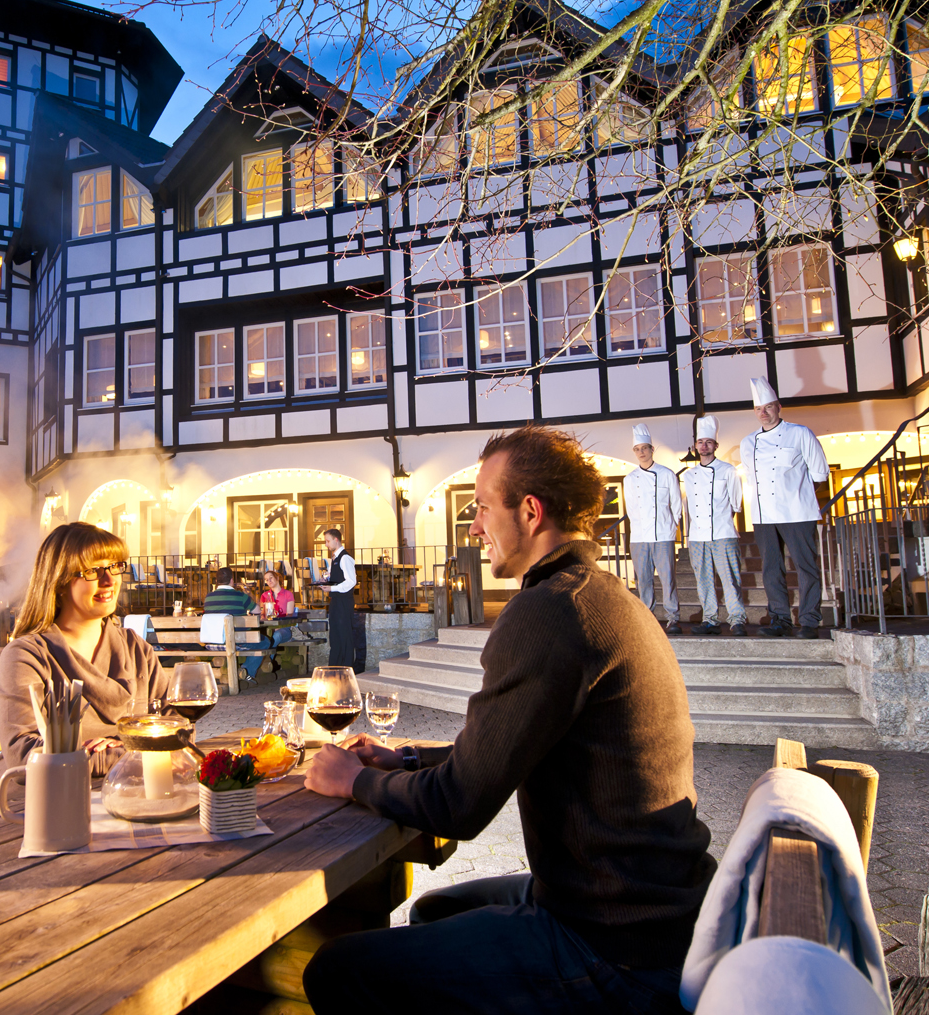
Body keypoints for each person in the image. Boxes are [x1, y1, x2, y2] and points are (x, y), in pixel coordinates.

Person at [300, 424, 715, 1015]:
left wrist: (354, 781)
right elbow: (508, 746)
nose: (473, 528)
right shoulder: (597, 594)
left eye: (482, 509)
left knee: (339, 970)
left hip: (614, 943)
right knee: (431, 911)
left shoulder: (549, 612)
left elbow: (458, 806)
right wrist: (406, 760)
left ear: (529, 511)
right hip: (656, 908)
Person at [0, 521, 170, 790]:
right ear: (59, 581)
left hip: (127, 792)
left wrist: (94, 753)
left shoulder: (136, 649)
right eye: (92, 571)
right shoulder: (27, 655)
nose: (109, 581)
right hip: (34, 804)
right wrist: (132, 752)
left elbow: (175, 730)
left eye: (114, 566)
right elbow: (24, 754)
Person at [738, 377, 831, 639]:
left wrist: (797, 494)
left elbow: (820, 473)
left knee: (806, 566)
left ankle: (810, 620)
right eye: (758, 409)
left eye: (768, 407)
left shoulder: (800, 433)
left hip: (797, 511)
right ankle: (780, 618)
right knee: (771, 569)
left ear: (778, 406)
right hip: (763, 514)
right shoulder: (748, 442)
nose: (763, 413)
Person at [682, 415, 748, 636]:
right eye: (700, 442)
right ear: (696, 446)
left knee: (730, 579)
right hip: (698, 535)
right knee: (703, 581)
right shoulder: (689, 476)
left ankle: (737, 619)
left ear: (716, 446)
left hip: (723, 532)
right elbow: (689, 507)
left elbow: (735, 504)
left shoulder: (729, 470)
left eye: (708, 442)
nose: (704, 446)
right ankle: (710, 620)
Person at [623, 423, 684, 635]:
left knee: (668, 579)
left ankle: (673, 618)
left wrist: (670, 526)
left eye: (644, 448)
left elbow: (676, 505)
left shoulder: (667, 474)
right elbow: (631, 509)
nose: (641, 452)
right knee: (644, 581)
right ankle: (648, 618)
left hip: (663, 535)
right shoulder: (629, 479)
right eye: (637, 449)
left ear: (652, 449)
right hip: (639, 536)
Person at [202, 566, 264, 683]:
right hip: (237, 640)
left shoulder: (208, 598)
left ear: (216, 581)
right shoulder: (240, 596)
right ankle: (246, 672)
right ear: (232, 581)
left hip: (213, 641)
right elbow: (257, 611)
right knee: (263, 641)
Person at [316, 528, 359, 672]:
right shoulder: (334, 558)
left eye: (327, 541)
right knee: (335, 635)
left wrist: (332, 589)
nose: (326, 545)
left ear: (336, 540)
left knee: (344, 635)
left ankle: (346, 669)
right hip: (335, 600)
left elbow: (351, 581)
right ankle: (334, 669)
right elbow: (334, 577)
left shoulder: (345, 558)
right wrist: (325, 580)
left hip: (343, 602)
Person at [258, 569, 296, 673]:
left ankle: (266, 661)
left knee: (277, 636)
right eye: (266, 580)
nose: (269, 581)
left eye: (271, 578)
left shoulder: (288, 594)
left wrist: (280, 625)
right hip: (268, 628)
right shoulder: (264, 596)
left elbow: (289, 614)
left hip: (284, 629)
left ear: (277, 578)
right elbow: (262, 614)